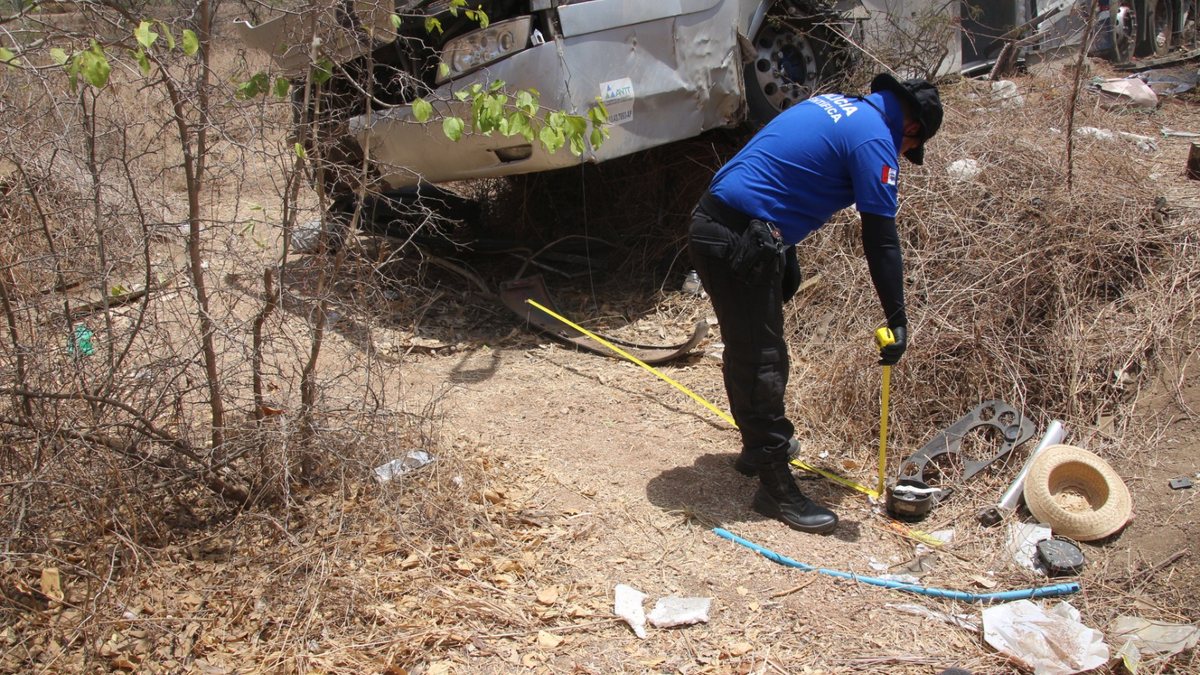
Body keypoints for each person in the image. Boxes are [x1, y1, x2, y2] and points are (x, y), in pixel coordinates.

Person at [687, 73, 943, 534]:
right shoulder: (875, 139)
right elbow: (881, 239)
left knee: (751, 348)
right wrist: (897, 317)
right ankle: (774, 487)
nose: (904, 156)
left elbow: (785, 170)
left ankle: (757, 448)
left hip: (724, 225)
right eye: (911, 150)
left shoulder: (835, 105)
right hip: (736, 238)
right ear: (911, 130)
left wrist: (786, 248)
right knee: (763, 360)